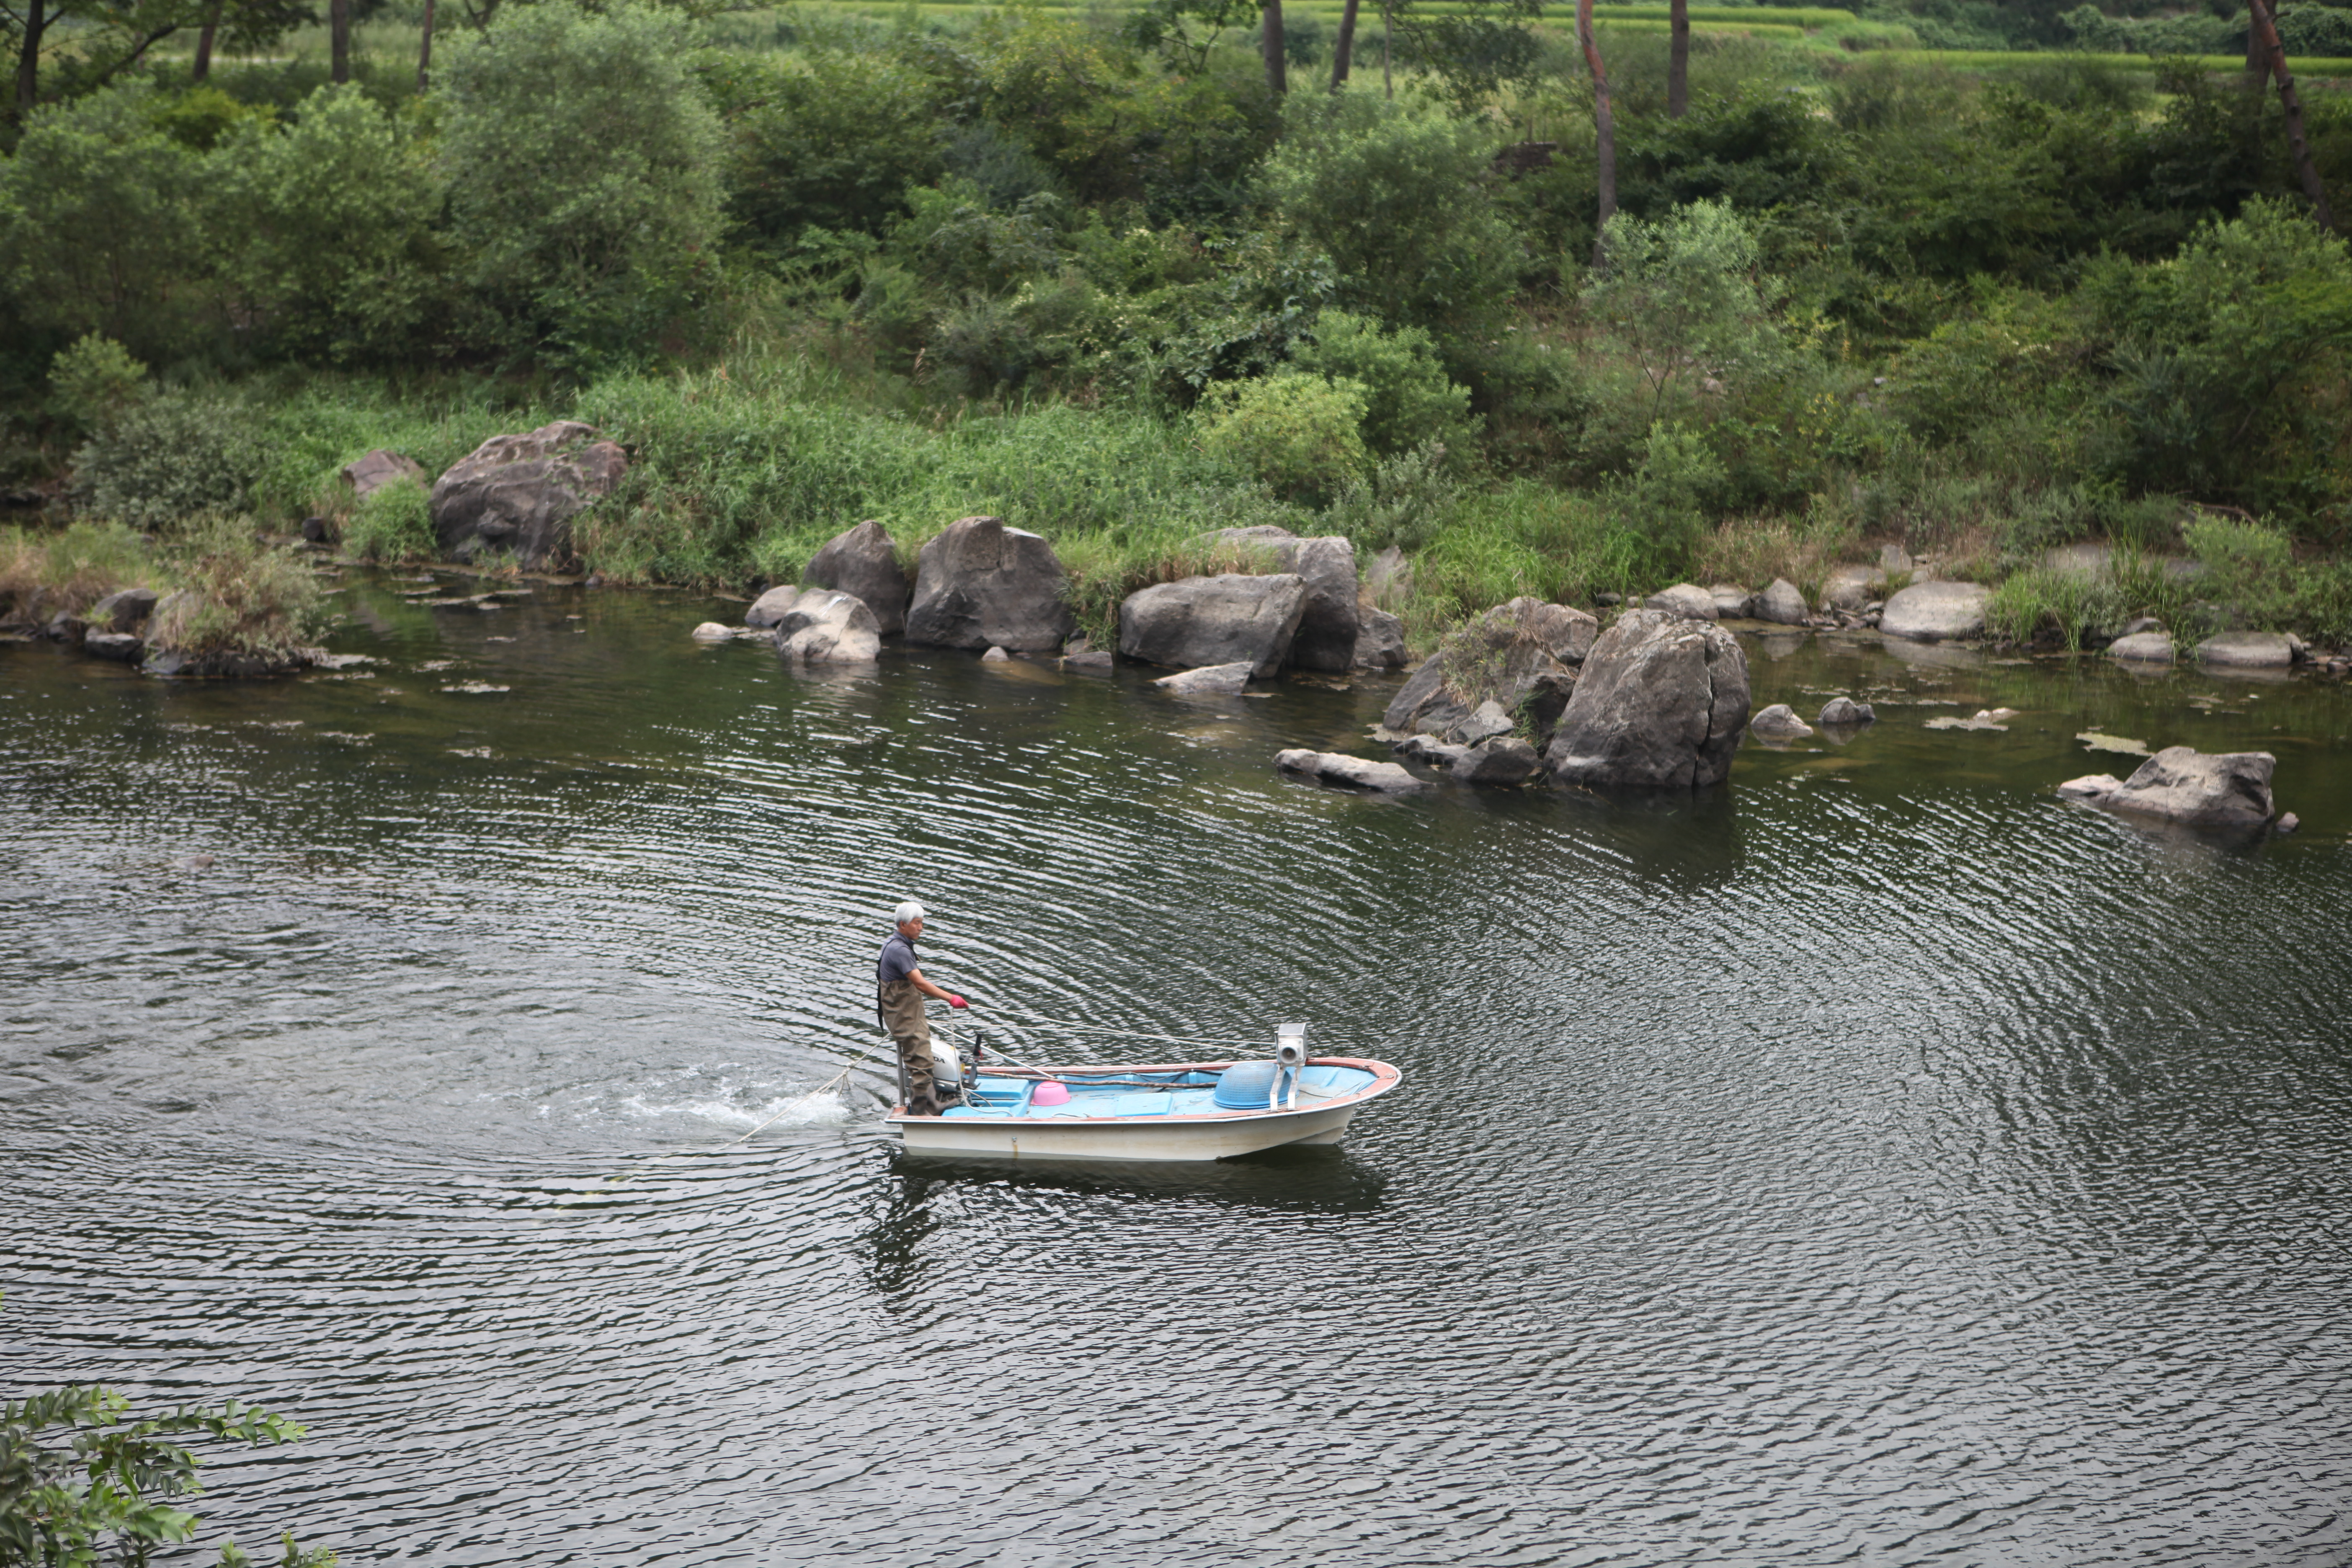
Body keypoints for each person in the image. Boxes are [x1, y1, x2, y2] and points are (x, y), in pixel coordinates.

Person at [877, 900, 967, 1116]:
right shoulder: (899, 950)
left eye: (922, 923)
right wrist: (951, 998)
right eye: (917, 923)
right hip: (903, 1016)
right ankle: (920, 1113)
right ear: (903, 925)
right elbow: (921, 984)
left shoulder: (896, 943)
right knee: (921, 1062)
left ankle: (932, 1104)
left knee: (924, 1055)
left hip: (909, 1013)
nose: (921, 928)